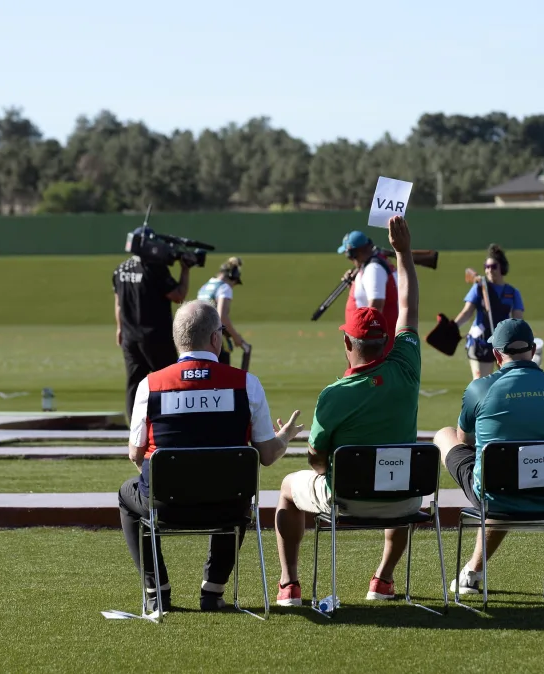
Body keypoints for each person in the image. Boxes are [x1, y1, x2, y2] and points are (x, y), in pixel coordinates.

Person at [120, 300, 303, 613]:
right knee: (238, 487)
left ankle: (157, 593)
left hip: (166, 505)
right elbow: (268, 456)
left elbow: (136, 455)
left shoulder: (150, 385)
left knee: (128, 495)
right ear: (216, 339)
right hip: (228, 507)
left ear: (177, 339)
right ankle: (213, 590)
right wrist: (284, 436)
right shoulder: (246, 383)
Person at [275, 215, 421, 607]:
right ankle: (383, 580)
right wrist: (404, 252)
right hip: (405, 498)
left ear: (347, 342)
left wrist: (328, 468)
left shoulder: (333, 395)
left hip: (347, 498)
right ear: (387, 339)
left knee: (288, 489)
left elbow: (317, 459)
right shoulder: (407, 368)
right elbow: (407, 303)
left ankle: (289, 585)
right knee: (399, 479)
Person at [434, 318, 544, 595]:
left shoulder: (480, 387)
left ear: (497, 355)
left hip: (496, 490)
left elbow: (464, 440)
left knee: (444, 435)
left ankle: (473, 572)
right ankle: (472, 571)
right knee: (505, 469)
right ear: (532, 350)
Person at [113, 227, 192, 422]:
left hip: (130, 336)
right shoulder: (155, 270)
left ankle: (135, 429)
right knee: (169, 380)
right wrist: (185, 269)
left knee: (134, 383)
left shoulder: (120, 269)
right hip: (156, 336)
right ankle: (173, 423)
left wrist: (120, 328)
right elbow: (179, 296)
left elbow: (118, 303)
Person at [451, 244, 524, 380]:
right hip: (481, 344)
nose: (489, 270)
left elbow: (517, 322)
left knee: (509, 385)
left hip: (503, 345)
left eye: (493, 266)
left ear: (502, 268)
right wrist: (452, 327)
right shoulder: (479, 288)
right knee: (482, 387)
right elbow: (467, 312)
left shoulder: (513, 293)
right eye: (487, 267)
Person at [337, 230, 399, 354]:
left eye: (348, 254)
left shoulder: (373, 269)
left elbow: (376, 305)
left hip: (372, 346)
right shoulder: (369, 266)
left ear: (355, 253)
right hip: (368, 342)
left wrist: (368, 343)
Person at [196, 257, 248, 365]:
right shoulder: (224, 288)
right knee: (221, 376)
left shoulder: (205, 287)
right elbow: (222, 317)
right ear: (232, 277)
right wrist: (236, 337)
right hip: (215, 338)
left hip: (199, 337)